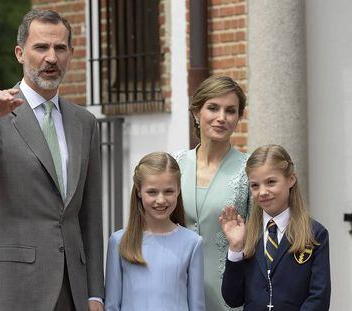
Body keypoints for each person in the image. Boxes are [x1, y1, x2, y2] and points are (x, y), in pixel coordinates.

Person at [0, 9, 104, 311]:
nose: (51, 58)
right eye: (41, 47)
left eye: (60, 48)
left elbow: (90, 215)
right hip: (11, 289)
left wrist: (95, 292)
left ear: (71, 53)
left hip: (71, 290)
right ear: (20, 53)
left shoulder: (84, 122)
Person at [219, 145, 331, 310]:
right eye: (255, 185)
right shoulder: (247, 233)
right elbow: (233, 298)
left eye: (271, 182)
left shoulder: (315, 234)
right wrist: (236, 248)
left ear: (290, 180)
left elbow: (319, 297)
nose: (262, 192)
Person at [174, 75, 251, 310]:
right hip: (176, 290)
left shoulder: (249, 170)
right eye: (213, 108)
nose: (221, 118)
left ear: (239, 117)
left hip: (229, 296)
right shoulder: (174, 164)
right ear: (197, 113)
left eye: (230, 111)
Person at [105, 152, 205, 311]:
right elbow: (111, 305)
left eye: (168, 191)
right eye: (152, 192)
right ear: (139, 191)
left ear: (178, 190)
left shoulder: (192, 243)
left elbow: (197, 306)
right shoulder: (118, 241)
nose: (160, 200)